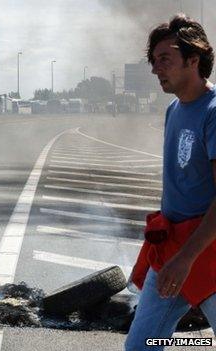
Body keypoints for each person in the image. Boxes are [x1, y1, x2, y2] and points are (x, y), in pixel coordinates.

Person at [125, 14, 216, 350]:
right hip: (171, 248)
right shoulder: (173, 110)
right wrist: (176, 256)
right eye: (153, 60)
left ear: (193, 60)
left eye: (165, 59)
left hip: (206, 250)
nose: (155, 68)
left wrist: (186, 258)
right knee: (140, 346)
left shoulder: (213, 112)